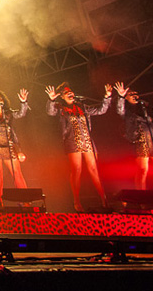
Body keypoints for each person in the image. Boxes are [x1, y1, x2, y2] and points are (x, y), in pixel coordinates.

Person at [46, 82, 111, 212]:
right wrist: (51, 100)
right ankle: (76, 200)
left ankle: (104, 199)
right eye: (66, 92)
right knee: (76, 169)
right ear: (62, 96)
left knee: (94, 169)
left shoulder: (82, 107)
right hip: (72, 141)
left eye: (70, 91)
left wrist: (107, 97)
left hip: (87, 140)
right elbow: (50, 112)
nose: (70, 93)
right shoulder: (60, 108)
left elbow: (101, 110)